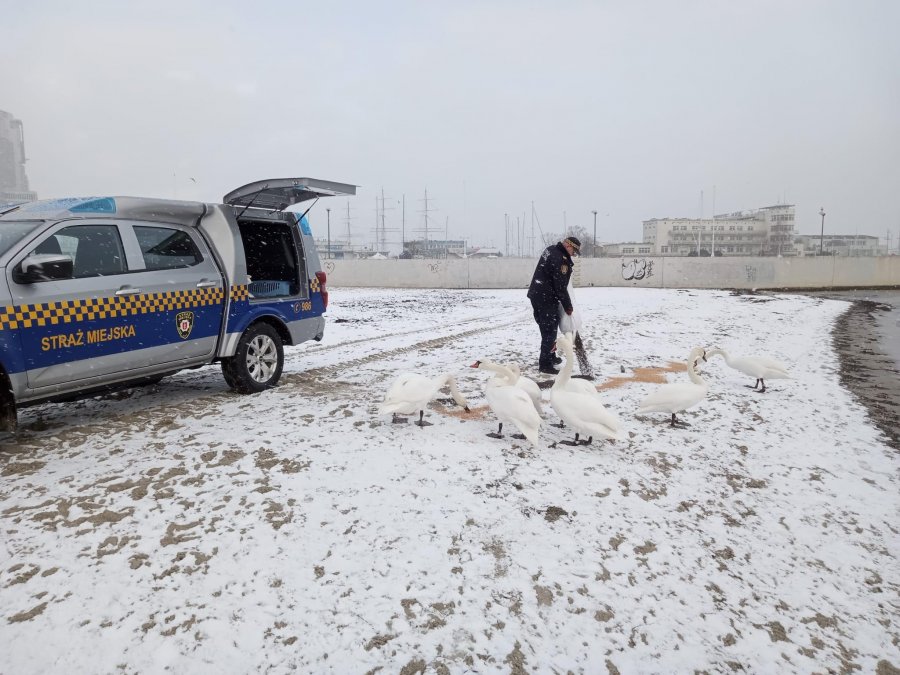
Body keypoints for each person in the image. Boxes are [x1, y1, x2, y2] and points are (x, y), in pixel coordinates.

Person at [527, 236, 580, 374]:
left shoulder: (551, 249)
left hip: (537, 294)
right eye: (574, 251)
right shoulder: (561, 260)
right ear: (569, 246)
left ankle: (550, 355)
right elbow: (560, 286)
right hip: (546, 298)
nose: (573, 255)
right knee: (549, 331)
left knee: (548, 327)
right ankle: (545, 364)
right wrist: (568, 306)